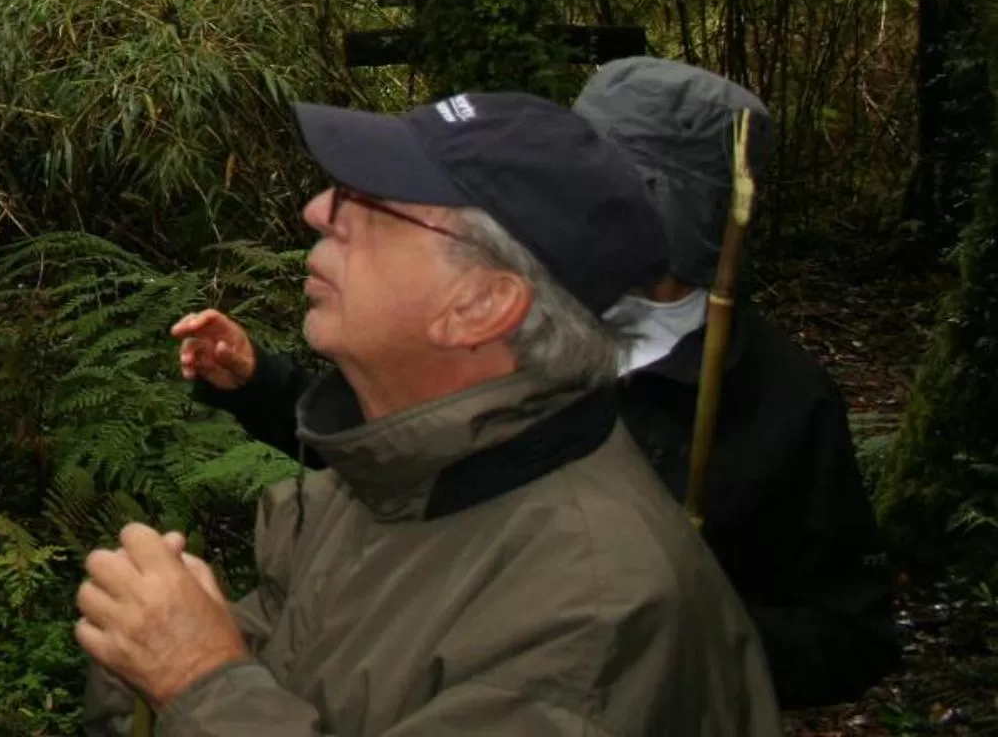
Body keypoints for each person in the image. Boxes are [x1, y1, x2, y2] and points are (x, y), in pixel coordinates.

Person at [175, 60, 899, 709]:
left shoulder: (777, 396)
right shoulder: (527, 334)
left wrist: (680, 631)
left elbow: (849, 628)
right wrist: (261, 387)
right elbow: (410, 462)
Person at [79, 92, 779, 735]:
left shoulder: (592, 623)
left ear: (479, 304)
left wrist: (200, 683)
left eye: (370, 200)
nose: (319, 210)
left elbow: (229, 691)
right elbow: (314, 679)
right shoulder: (396, 482)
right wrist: (158, 651)